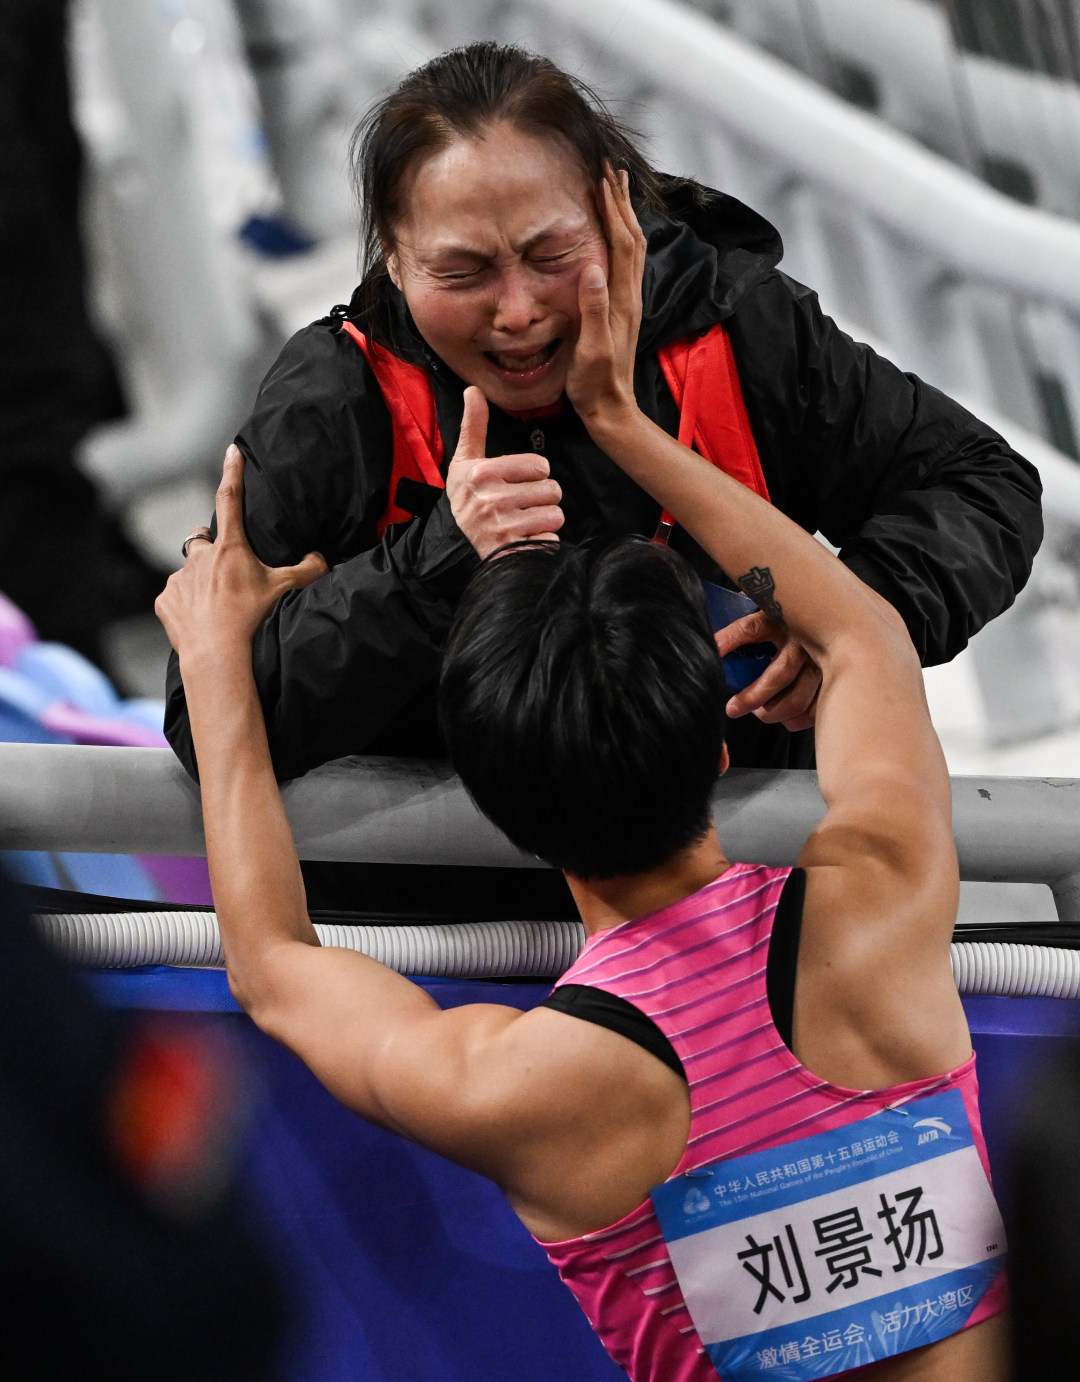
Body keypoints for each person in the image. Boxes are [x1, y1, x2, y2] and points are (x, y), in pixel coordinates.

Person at [155, 166, 1009, 1379]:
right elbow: (862, 631)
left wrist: (217, 659)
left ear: (499, 806)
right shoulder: (883, 899)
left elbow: (274, 962)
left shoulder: (525, 1085)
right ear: (718, 738)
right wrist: (624, 424)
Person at [163, 40, 1041, 794]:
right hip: (449, 925)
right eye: (462, 273)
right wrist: (432, 561)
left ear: (617, 213)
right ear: (393, 260)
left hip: (740, 893)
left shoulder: (729, 323)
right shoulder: (338, 395)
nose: (517, 312)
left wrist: (850, 620)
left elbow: (983, 486)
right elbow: (209, 718)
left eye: (552, 255)